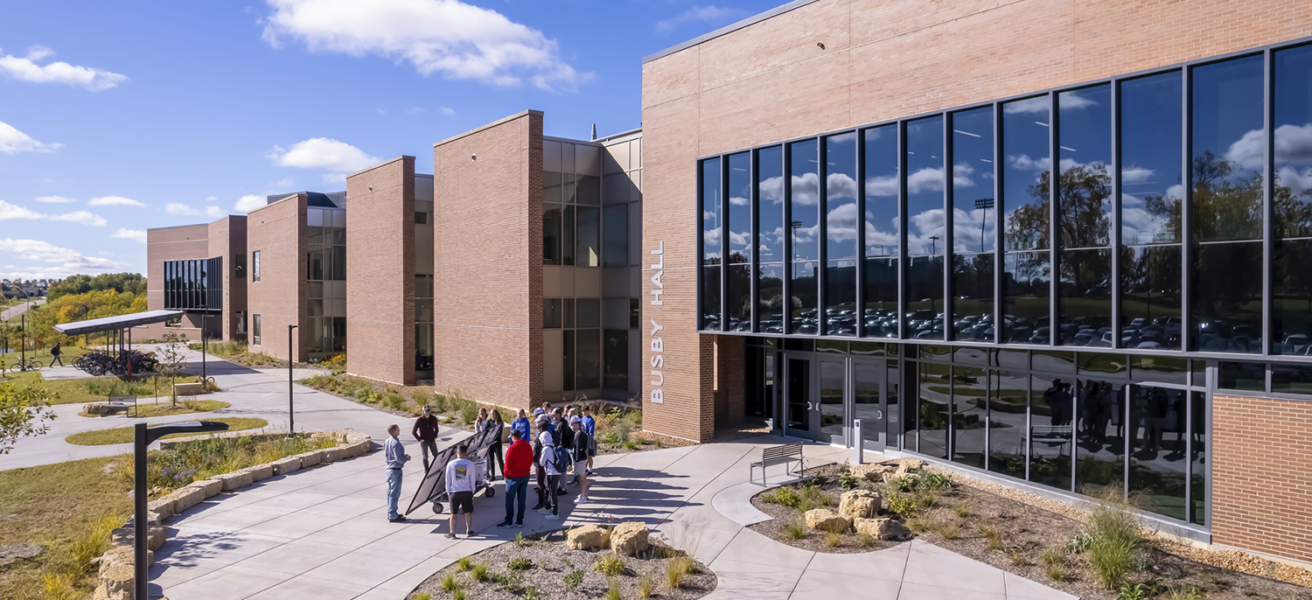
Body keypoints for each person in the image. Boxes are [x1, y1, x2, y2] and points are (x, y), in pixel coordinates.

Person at [497, 429, 533, 528]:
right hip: (525, 475)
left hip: (513, 477)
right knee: (522, 499)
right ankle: (519, 521)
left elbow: (507, 465)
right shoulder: (528, 446)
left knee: (509, 499)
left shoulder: (512, 449)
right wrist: (526, 469)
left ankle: (509, 521)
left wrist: (506, 476)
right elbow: (531, 459)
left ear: (513, 437)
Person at [443, 444, 477, 538]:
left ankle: (452, 533)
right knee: (468, 512)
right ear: (466, 452)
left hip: (454, 492)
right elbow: (473, 479)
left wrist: (448, 491)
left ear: (457, 452)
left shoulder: (451, 464)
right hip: (467, 491)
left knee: (453, 513)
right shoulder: (470, 464)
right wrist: (472, 490)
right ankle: (469, 531)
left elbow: (448, 479)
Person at [384, 424, 411, 523]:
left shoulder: (387, 441)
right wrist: (406, 458)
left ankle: (391, 512)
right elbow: (399, 459)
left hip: (389, 469)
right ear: (394, 431)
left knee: (390, 493)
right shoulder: (395, 443)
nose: (399, 430)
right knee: (394, 493)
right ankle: (393, 515)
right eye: (398, 429)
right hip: (395, 470)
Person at [536, 420, 562, 521]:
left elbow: (542, 463)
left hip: (551, 473)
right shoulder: (552, 445)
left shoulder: (546, 448)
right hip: (556, 472)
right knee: (551, 492)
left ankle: (555, 513)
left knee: (552, 493)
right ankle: (548, 507)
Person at [530, 414, 552, 510]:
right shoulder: (549, 436)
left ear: (541, 428)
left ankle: (540, 502)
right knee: (546, 484)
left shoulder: (540, 437)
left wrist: (533, 461)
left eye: (538, 428)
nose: (537, 430)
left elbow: (536, 451)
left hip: (540, 464)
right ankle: (547, 500)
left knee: (540, 484)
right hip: (549, 464)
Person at [412, 406, 440, 472]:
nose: (427, 412)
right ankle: (426, 470)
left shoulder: (433, 419)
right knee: (425, 456)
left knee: (436, 455)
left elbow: (436, 429)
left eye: (428, 411)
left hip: (432, 440)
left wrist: (435, 436)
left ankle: (436, 467)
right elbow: (414, 432)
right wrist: (419, 439)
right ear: (423, 411)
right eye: (426, 411)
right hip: (424, 441)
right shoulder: (420, 420)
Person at [569, 416, 590, 503]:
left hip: (580, 459)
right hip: (581, 458)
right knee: (582, 476)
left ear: (577, 423)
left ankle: (583, 496)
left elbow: (579, 448)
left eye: (573, 424)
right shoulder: (580, 433)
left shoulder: (580, 434)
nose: (572, 426)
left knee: (581, 477)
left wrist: (577, 459)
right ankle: (584, 493)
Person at [486, 409, 505, 481]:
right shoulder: (489, 422)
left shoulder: (500, 422)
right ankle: (493, 475)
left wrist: (492, 436)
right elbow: (486, 431)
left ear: (497, 415)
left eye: (494, 414)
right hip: (490, 443)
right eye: (491, 415)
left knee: (499, 459)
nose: (492, 416)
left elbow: (499, 433)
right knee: (491, 459)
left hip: (497, 443)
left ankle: (503, 474)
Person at [581, 408, 596, 476]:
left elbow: (591, 431)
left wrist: (589, 438)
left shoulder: (590, 420)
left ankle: (590, 469)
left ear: (588, 411)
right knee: (585, 455)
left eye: (585, 411)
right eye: (583, 411)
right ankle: (585, 468)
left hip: (588, 439)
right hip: (583, 439)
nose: (584, 412)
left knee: (589, 455)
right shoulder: (582, 419)